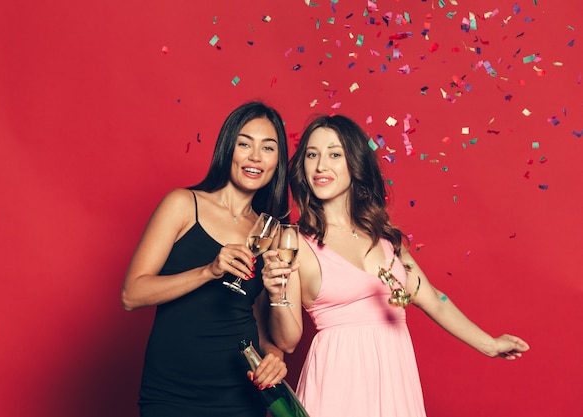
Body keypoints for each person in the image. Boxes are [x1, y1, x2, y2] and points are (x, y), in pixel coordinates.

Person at [261, 114, 530, 417]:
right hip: (338, 381)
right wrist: (276, 293)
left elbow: (435, 300)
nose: (321, 165)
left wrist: (489, 344)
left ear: (355, 164)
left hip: (394, 378)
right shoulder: (293, 240)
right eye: (312, 154)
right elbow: (287, 341)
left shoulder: (385, 235)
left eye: (335, 154)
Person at [122, 101, 291, 417]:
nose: (255, 157)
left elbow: (260, 321)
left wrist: (274, 357)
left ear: (278, 161)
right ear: (229, 149)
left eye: (268, 148)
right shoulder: (183, 205)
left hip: (241, 397)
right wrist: (209, 271)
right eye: (244, 144)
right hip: (172, 393)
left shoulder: (272, 234)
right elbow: (132, 294)